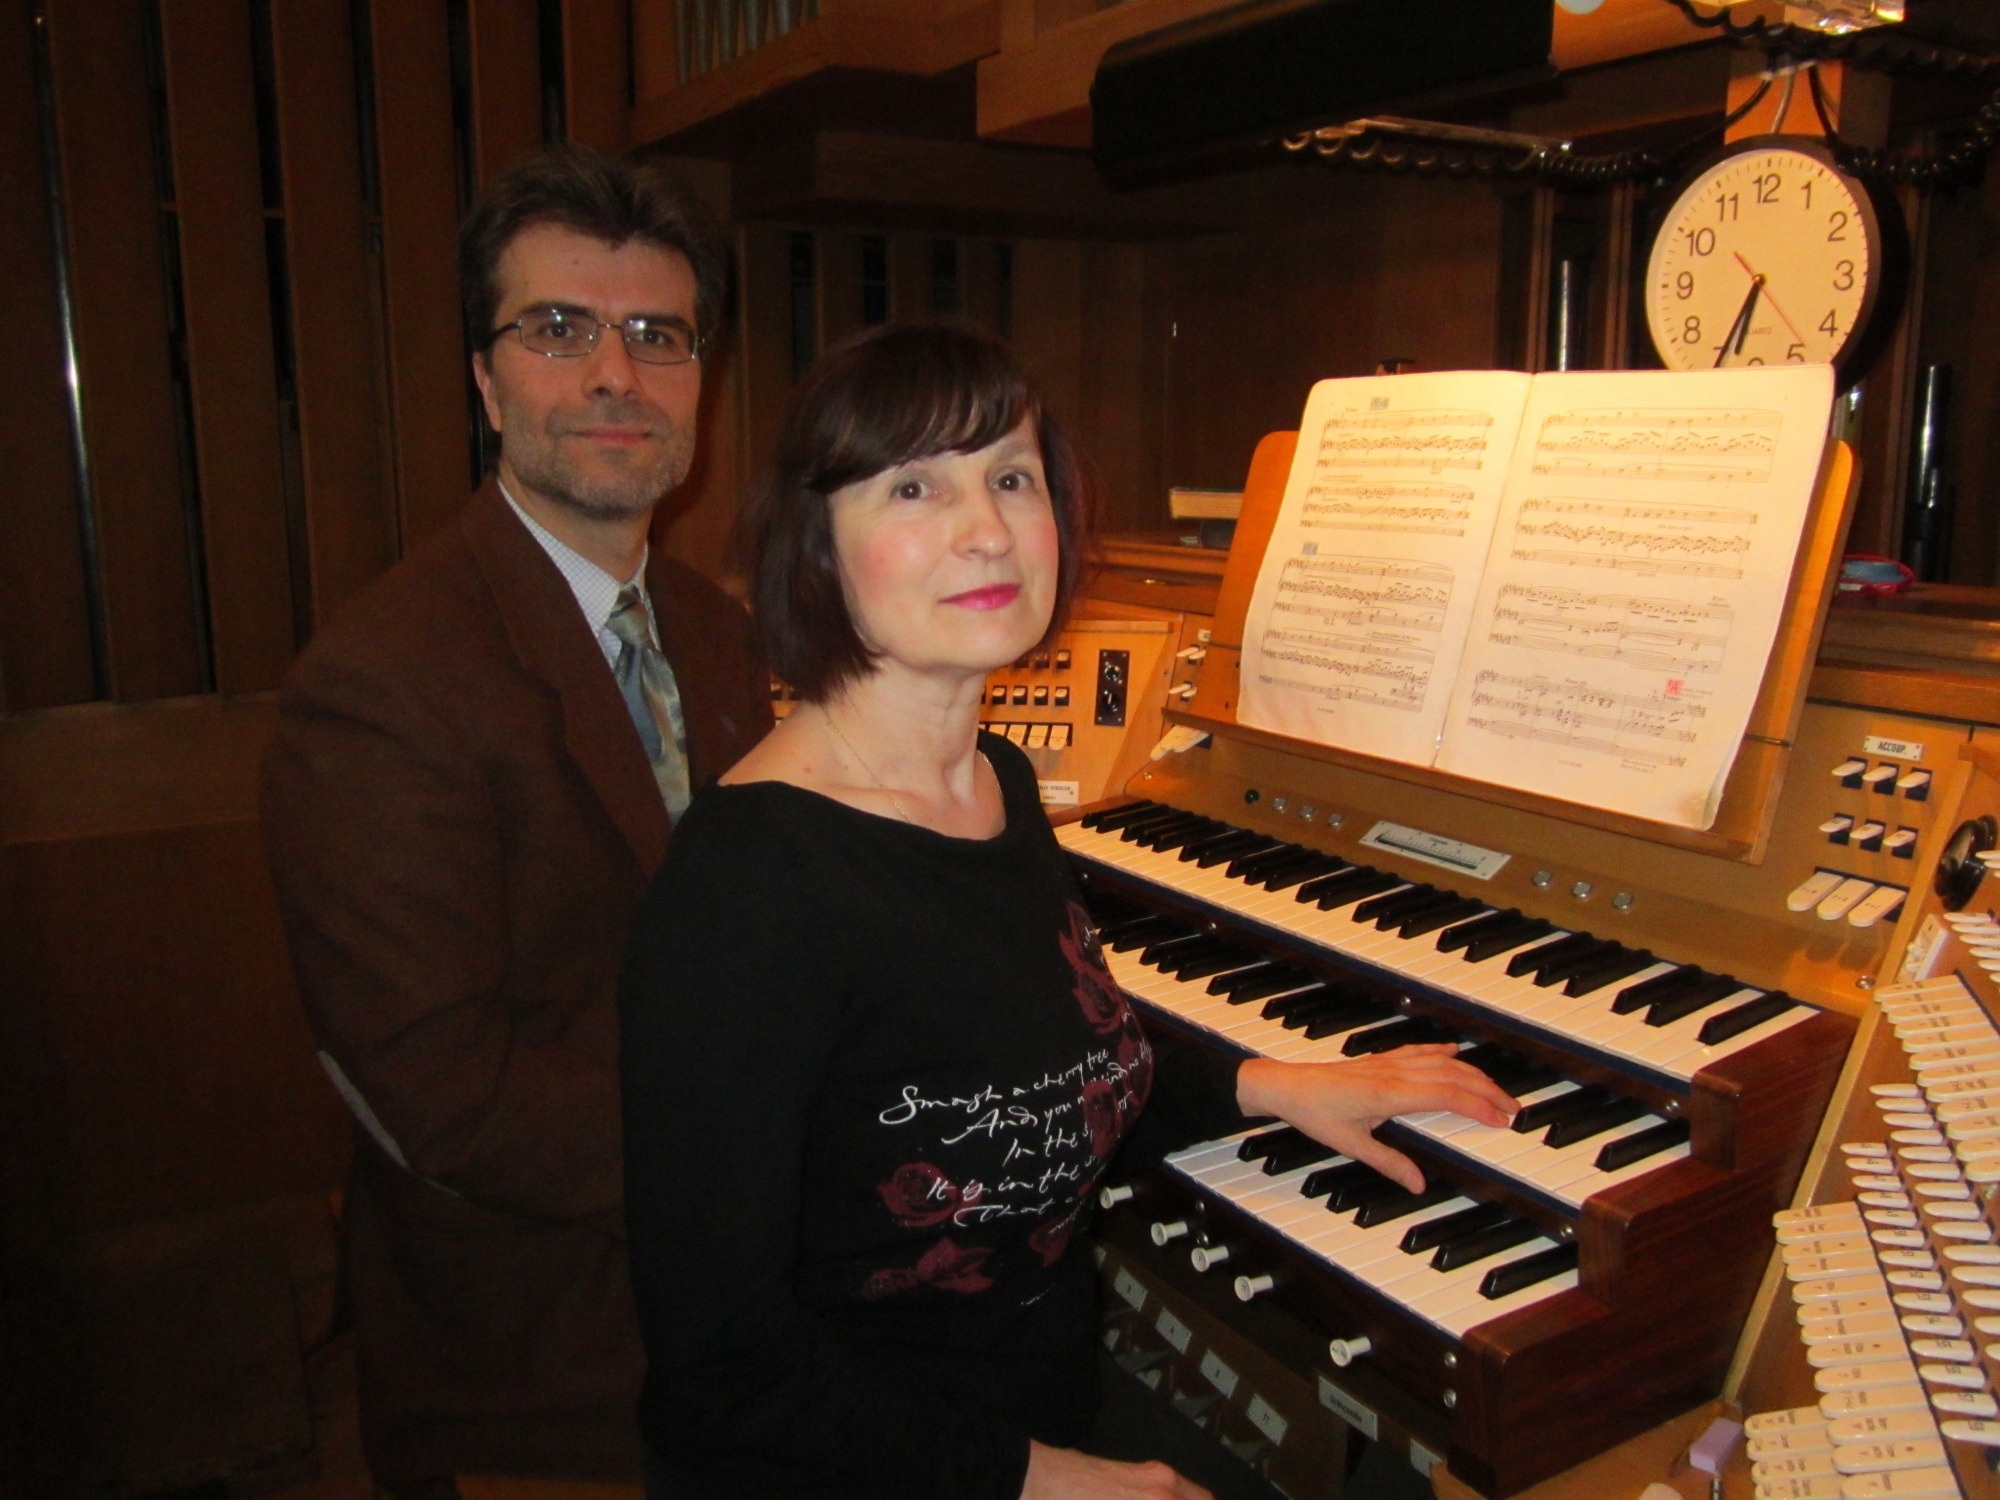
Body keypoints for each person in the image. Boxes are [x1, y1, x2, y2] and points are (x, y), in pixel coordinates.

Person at [619, 324, 1517, 1500]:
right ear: (818, 550)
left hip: (1036, 1403)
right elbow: (720, 1362)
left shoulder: (993, 785)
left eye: (1008, 477)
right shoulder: (747, 891)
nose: (984, 529)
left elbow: (1036, 1085)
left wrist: (1264, 1083)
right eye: (912, 487)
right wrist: (1036, 1479)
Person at [261, 145, 771, 1495]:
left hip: (740, 1296)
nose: (616, 374)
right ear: (487, 381)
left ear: (700, 384)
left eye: (657, 335)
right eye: (560, 329)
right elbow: (449, 1099)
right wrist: (785, 1121)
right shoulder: (381, 684)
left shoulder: (719, 637)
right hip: (545, 1356)